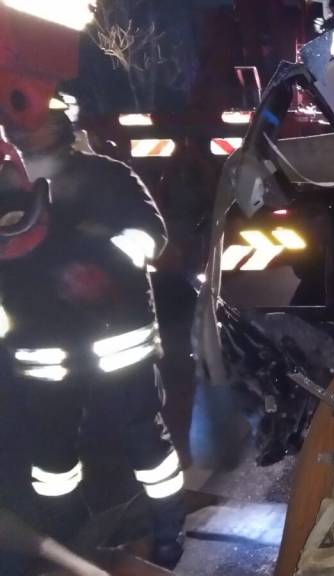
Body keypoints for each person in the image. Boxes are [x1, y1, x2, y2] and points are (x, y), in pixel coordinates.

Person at [0, 112, 186, 568]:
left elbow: (151, 235)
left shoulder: (107, 176)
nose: (26, 130)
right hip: (41, 348)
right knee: (51, 457)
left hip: (117, 341)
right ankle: (67, 533)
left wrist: (102, 263)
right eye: (16, 123)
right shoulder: (6, 186)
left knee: (145, 443)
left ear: (60, 125)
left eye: (37, 121)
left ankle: (167, 531)